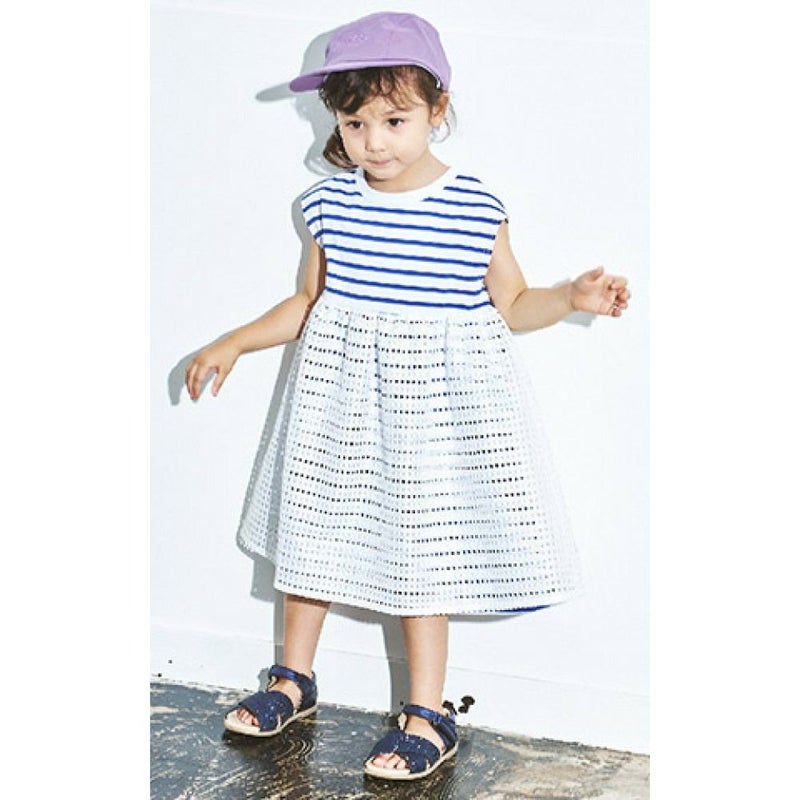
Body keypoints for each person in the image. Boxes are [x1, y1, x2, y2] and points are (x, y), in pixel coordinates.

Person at [184, 11, 630, 782]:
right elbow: (307, 304)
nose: (374, 141)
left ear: (437, 108)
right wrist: (235, 341)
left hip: (429, 422)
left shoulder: (473, 207)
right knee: (313, 540)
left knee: (421, 561)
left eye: (394, 120)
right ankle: (293, 680)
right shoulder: (328, 205)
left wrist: (570, 296)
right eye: (355, 123)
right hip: (338, 411)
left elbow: (511, 303)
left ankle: (427, 714)